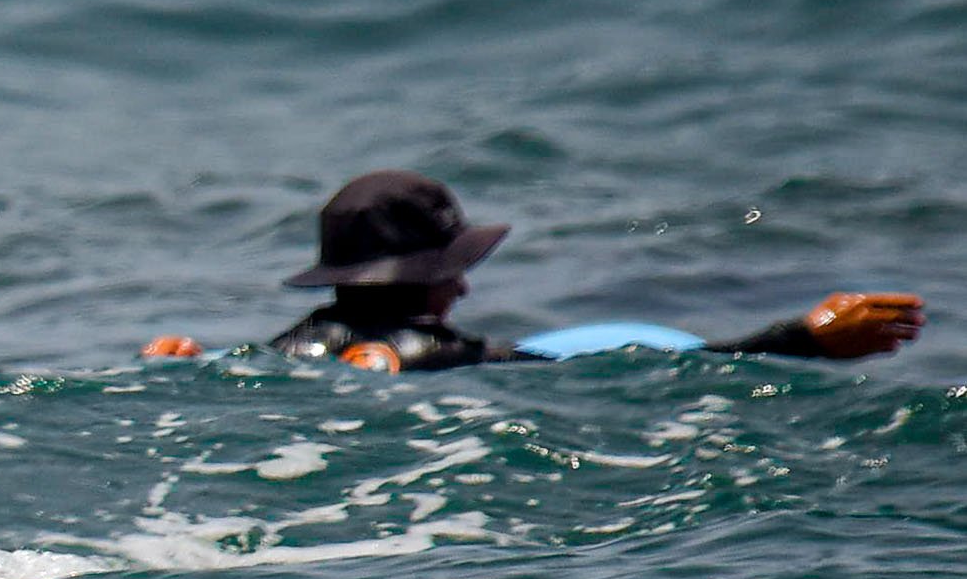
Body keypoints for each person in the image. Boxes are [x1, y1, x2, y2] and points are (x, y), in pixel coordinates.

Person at [143, 169, 923, 371]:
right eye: (453, 269)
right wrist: (800, 339)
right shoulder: (429, 351)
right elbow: (632, 363)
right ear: (425, 274)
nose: (464, 286)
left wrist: (188, 362)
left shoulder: (298, 345)